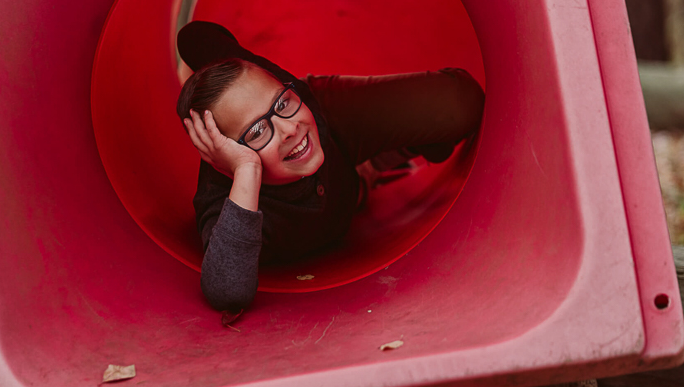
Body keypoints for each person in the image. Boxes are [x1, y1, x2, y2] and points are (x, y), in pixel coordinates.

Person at [176, 21, 485, 313]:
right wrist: (245, 169)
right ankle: (369, 172)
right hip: (343, 196)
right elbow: (227, 291)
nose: (287, 129)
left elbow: (196, 37)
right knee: (353, 189)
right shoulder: (228, 204)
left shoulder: (295, 106)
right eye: (257, 132)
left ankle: (377, 157)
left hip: (331, 124)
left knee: (458, 106)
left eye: (281, 103)